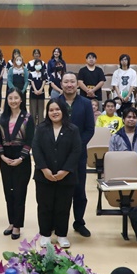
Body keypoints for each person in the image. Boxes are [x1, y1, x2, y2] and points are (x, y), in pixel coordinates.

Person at [32, 98, 82, 248]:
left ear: (63, 111)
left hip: (66, 176)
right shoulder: (41, 128)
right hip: (44, 175)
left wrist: (65, 171)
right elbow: (36, 149)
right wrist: (44, 169)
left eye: (57, 109)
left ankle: (61, 235)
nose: (54, 112)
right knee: (44, 205)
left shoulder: (73, 129)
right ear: (47, 112)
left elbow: (76, 151)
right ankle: (45, 234)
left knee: (63, 206)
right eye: (51, 110)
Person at [0, 89, 34, 240]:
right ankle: (11, 222)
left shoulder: (27, 117)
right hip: (5, 158)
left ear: (21, 100)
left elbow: (30, 140)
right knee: (8, 192)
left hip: (22, 159)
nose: (13, 101)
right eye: (10, 98)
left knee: (19, 193)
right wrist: (2, 156)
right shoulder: (1, 117)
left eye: (16, 98)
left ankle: (17, 225)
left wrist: (21, 157)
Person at [60, 72, 95, 237]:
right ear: (61, 84)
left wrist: (76, 147)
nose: (69, 85)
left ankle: (79, 222)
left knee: (79, 190)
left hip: (79, 154)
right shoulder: (55, 103)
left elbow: (89, 129)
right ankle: (58, 223)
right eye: (66, 82)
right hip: (59, 155)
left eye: (72, 82)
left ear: (77, 84)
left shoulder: (86, 103)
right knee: (60, 191)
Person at [28, 56, 47, 127]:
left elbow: (44, 82)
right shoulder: (31, 73)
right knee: (33, 110)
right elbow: (32, 82)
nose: (38, 65)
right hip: (33, 93)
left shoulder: (44, 74)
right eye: (36, 64)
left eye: (39, 64)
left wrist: (41, 90)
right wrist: (35, 90)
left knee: (41, 110)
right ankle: (32, 126)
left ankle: (40, 126)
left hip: (41, 93)